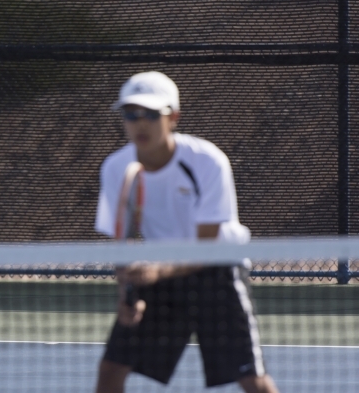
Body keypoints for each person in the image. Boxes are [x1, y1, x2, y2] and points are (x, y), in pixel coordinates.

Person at [94, 71, 278, 392]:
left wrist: (154, 271)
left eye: (151, 114)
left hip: (216, 272)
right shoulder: (115, 168)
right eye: (130, 114)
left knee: (252, 380)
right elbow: (120, 245)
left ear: (173, 117)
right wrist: (126, 295)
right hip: (159, 275)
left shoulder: (207, 162)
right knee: (111, 370)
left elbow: (205, 248)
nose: (140, 123)